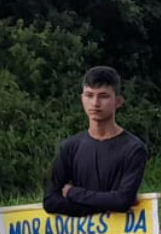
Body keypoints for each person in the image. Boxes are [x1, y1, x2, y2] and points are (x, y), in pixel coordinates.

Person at [46, 66, 148, 218]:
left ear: (118, 101)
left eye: (103, 96)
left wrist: (73, 193)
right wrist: (97, 210)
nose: (95, 103)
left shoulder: (133, 149)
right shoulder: (69, 147)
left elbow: (122, 200)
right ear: (82, 99)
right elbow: (50, 201)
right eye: (89, 95)